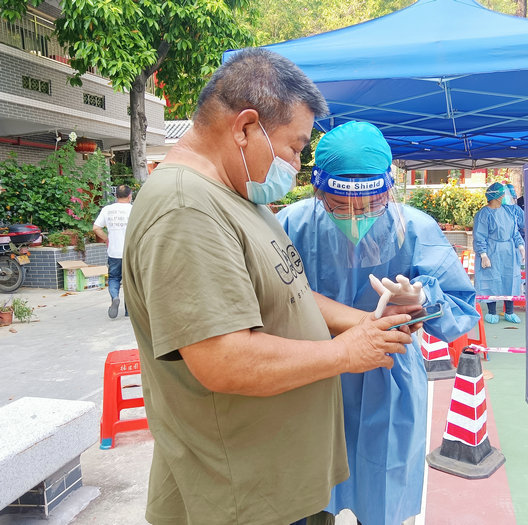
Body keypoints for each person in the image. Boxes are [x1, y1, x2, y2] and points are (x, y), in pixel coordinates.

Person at [122, 49, 418, 525]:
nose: (297, 165)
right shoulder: (186, 209)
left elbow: (290, 290)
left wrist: (363, 322)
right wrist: (346, 353)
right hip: (241, 496)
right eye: (295, 147)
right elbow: (223, 359)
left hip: (279, 485)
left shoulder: (238, 194)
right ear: (244, 127)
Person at [277, 121, 480, 525]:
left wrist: (424, 300)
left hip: (388, 380)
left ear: (389, 189)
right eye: (339, 203)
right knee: (307, 497)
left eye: (370, 204)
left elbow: (460, 310)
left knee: (382, 493)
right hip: (312, 373)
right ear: (317, 190)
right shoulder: (290, 225)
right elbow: (271, 299)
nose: (356, 216)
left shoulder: (416, 228)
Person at [473, 182, 525, 324]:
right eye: (501, 195)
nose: (504, 197)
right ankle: (491, 312)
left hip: (509, 252)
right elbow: (480, 235)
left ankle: (509, 312)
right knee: (492, 281)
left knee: (511, 280)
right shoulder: (484, 214)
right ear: (496, 197)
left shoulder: (508, 211)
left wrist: (520, 245)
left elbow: (514, 231)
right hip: (492, 252)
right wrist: (483, 254)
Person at [93, 184, 132, 318]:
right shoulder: (133, 210)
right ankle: (128, 311)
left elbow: (96, 228)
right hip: (130, 253)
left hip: (114, 252)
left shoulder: (107, 209)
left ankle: (115, 297)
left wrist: (106, 239)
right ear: (130, 196)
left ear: (116, 196)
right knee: (130, 282)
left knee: (114, 278)